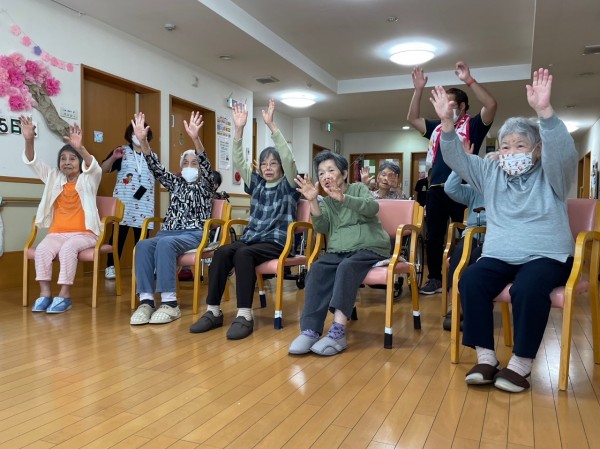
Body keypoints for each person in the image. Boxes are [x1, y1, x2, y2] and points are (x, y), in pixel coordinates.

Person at [431, 68, 577, 393]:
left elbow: (564, 154)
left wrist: (545, 112)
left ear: (537, 149)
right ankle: (486, 358)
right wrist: (446, 124)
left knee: (527, 287)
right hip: (500, 255)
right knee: (470, 279)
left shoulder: (551, 172)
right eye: (506, 146)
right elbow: (457, 160)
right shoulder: (491, 171)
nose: (511, 153)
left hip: (548, 256)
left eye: (520, 145)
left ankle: (521, 363)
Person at [189, 99, 299, 340]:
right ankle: (213, 311)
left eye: (274, 163)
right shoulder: (256, 183)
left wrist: (272, 126)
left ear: (281, 167)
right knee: (221, 252)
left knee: (243, 255)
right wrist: (238, 130)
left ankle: (244, 314)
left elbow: (289, 158)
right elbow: (239, 160)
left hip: (276, 242)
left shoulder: (289, 185)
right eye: (264, 164)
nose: (268, 168)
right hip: (252, 238)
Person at [407, 61, 497, 295]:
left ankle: (464, 278)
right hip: (436, 188)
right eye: (442, 104)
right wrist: (418, 90)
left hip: (464, 188)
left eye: (451, 105)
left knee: (465, 234)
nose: (445, 108)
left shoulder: (474, 125)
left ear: (463, 106)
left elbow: (491, 104)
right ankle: (435, 279)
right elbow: (412, 118)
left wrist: (469, 80)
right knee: (434, 237)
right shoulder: (438, 127)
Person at [288, 151, 391, 356]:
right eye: (321, 173)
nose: (325, 176)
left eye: (330, 170)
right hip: (339, 250)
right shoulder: (326, 202)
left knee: (347, 267)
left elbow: (372, 207)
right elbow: (322, 227)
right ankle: (310, 330)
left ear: (344, 174)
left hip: (369, 246)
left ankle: (338, 332)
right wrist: (313, 201)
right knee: (317, 268)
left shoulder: (358, 188)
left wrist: (344, 198)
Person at [130, 111, 215, 325]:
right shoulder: (175, 183)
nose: (189, 166)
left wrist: (196, 139)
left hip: (194, 233)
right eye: (185, 163)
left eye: (194, 163)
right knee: (143, 245)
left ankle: (170, 303)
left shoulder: (206, 185)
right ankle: (146, 301)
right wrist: (143, 142)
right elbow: (156, 169)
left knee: (165, 244)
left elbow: (206, 166)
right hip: (168, 232)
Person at [20, 116, 102, 313]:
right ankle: (45, 294)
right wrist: (29, 140)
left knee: (68, 249)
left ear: (80, 162)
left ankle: (64, 296)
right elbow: (32, 162)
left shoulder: (89, 179)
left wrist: (80, 148)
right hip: (57, 233)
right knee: (42, 250)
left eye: (72, 158)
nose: (67, 162)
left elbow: (95, 167)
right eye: (63, 159)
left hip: (85, 233)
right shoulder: (53, 177)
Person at [101, 121, 156, 280]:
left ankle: (143, 267)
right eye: (135, 132)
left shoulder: (152, 155)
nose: (138, 136)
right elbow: (103, 169)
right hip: (124, 204)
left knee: (143, 240)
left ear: (147, 135)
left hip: (144, 204)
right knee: (118, 237)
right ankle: (111, 266)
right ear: (129, 135)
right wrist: (113, 157)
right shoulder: (121, 151)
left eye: (141, 132)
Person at [442, 162, 486, 331]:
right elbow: (450, 188)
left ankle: (472, 308)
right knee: (460, 252)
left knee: (476, 257)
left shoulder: (505, 190)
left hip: (494, 237)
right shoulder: (474, 190)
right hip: (472, 235)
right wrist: (461, 164)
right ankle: (455, 305)